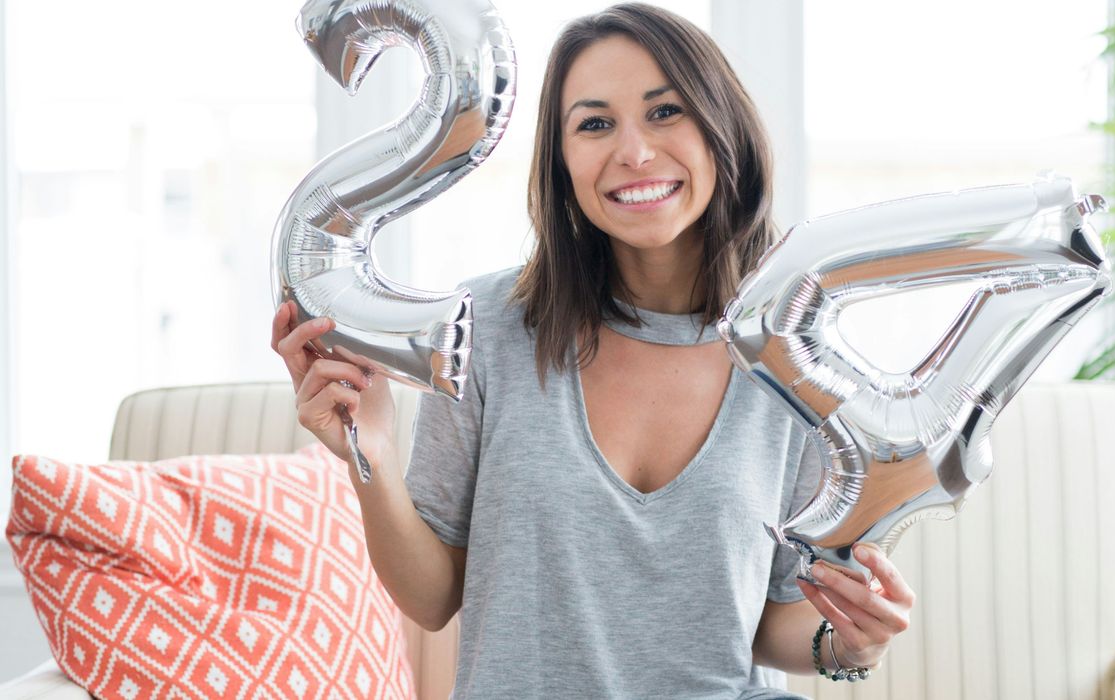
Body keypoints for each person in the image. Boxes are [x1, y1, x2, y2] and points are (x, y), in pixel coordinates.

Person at [271, 4, 914, 697]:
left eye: (665, 112)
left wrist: (849, 642)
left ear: (721, 130)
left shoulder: (797, 358)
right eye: (594, 124)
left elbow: (771, 624)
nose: (633, 152)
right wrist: (370, 453)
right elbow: (432, 598)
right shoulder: (485, 326)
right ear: (561, 163)